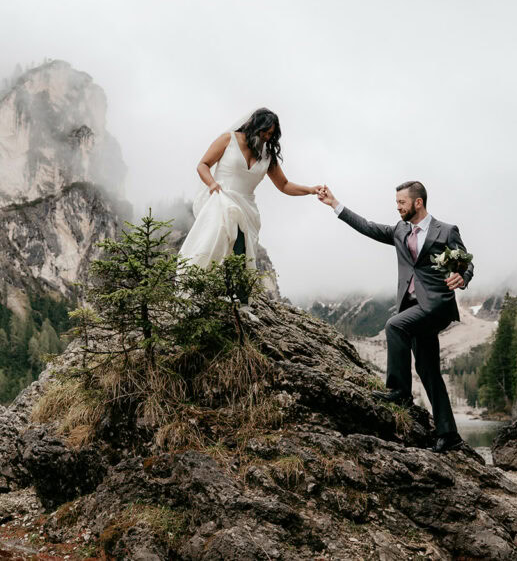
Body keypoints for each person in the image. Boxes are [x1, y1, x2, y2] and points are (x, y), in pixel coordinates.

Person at [317, 181, 474, 453]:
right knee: (428, 370)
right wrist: (335, 204)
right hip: (411, 306)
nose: (397, 207)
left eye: (402, 202)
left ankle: (399, 392)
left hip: (436, 304)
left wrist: (463, 276)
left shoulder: (446, 230)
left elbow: (466, 262)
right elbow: (368, 226)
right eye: (397, 203)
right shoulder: (400, 230)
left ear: (418, 203)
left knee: (394, 324)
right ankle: (449, 435)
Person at [179, 109, 322, 300]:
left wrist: (311, 190)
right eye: (264, 131)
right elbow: (203, 164)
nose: (266, 137)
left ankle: (240, 299)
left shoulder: (267, 155)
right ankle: (209, 292)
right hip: (221, 198)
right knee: (224, 239)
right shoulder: (228, 140)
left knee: (244, 250)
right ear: (254, 125)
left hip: (247, 206)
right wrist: (212, 184)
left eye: (271, 134)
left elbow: (284, 185)